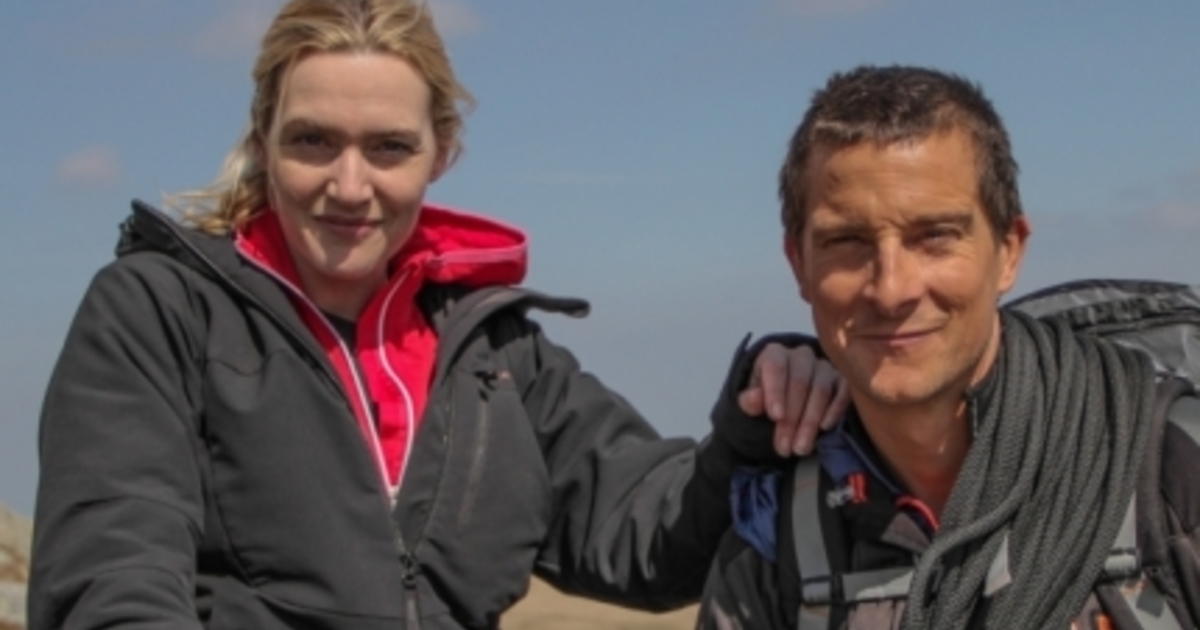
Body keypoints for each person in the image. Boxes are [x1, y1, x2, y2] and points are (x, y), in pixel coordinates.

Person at [26, 1, 850, 629]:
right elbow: (111, 580)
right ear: (263, 138)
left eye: (389, 147)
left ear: (441, 152)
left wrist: (758, 413)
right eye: (313, 141)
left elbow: (651, 538)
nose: (350, 185)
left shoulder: (495, 354)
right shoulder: (157, 312)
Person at [697, 65, 1200, 629]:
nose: (892, 289)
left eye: (935, 236)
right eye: (848, 241)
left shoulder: (1172, 476)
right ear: (799, 264)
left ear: (1009, 251)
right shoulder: (773, 543)